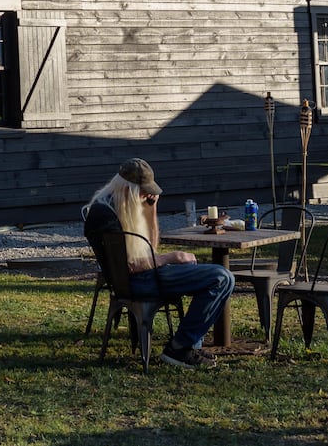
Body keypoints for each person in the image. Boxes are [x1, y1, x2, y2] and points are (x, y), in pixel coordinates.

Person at [82, 158, 233, 369]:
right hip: (136, 281)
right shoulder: (107, 216)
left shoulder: (120, 204)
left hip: (142, 276)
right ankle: (180, 347)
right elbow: (131, 265)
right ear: (130, 190)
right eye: (144, 193)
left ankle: (188, 346)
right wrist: (172, 257)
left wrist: (151, 209)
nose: (146, 197)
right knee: (220, 277)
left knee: (214, 276)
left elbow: (150, 248)